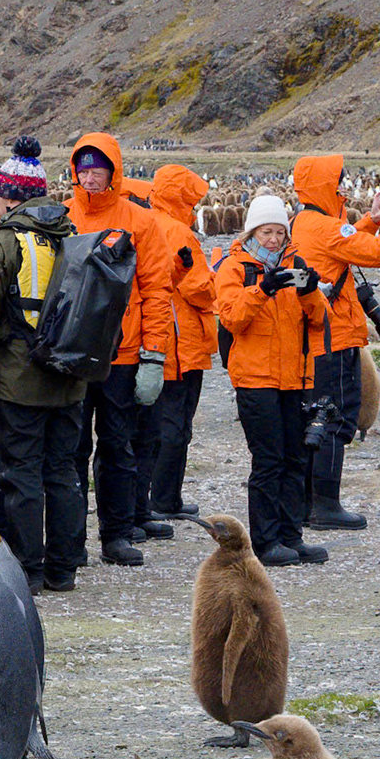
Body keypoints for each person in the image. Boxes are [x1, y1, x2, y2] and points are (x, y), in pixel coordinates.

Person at [0, 138, 87, 594]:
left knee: (22, 474)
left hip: (18, 382)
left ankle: (28, 568)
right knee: (64, 472)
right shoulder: (73, 237)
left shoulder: (1, 243)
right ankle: (65, 568)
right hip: (70, 378)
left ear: (9, 197)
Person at [63, 132, 175, 568]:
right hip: (71, 353)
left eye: (98, 169)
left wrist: (153, 355)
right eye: (83, 169)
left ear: (114, 171)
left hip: (122, 354)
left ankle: (117, 534)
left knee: (118, 447)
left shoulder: (139, 220)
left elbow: (158, 290)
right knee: (70, 451)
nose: (90, 177)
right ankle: (70, 540)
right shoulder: (63, 216)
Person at [289, 154, 380, 530]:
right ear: (324, 186)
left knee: (313, 417)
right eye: (337, 181)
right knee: (333, 416)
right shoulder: (325, 227)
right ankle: (326, 505)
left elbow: (341, 243)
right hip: (333, 337)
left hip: (314, 339)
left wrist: (371, 220)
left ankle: (307, 503)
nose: (342, 186)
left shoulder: (304, 222)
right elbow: (377, 252)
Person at [216, 196, 331, 567]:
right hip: (255, 379)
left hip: (294, 378)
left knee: (295, 458)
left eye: (280, 232)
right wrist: (263, 289)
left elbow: (319, 320)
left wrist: (310, 291)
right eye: (267, 231)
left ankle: (291, 536)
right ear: (252, 231)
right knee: (268, 460)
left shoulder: (296, 264)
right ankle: (266, 542)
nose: (273, 239)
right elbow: (232, 318)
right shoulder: (235, 267)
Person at [144, 165, 217, 521]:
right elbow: (199, 288)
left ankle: (159, 496)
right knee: (176, 424)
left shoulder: (148, 221)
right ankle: (164, 499)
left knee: (156, 422)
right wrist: (216, 277)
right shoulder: (178, 231)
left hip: (156, 337)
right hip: (180, 340)